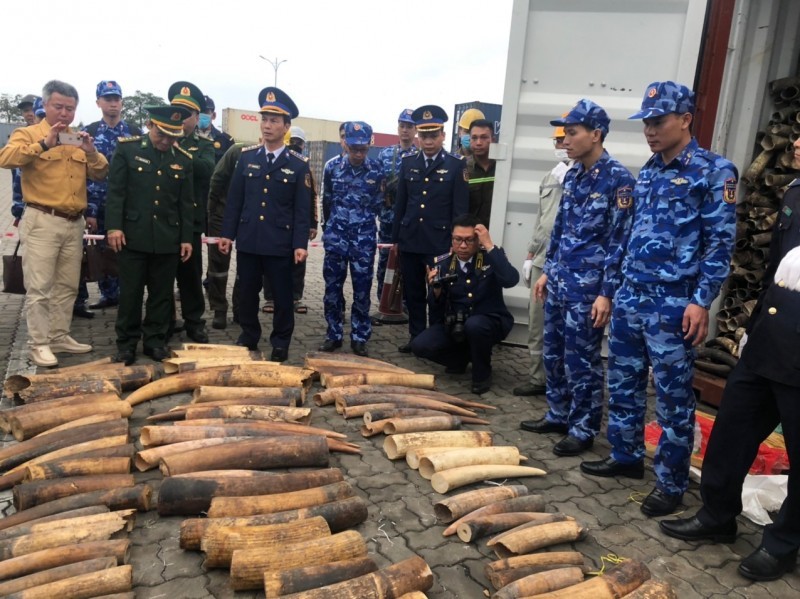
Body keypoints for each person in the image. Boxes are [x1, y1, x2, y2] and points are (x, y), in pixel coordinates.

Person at [580, 81, 739, 517]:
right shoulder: (648, 171)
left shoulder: (714, 171)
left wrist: (701, 300)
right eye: (646, 122)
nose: (650, 130)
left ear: (685, 119)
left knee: (672, 397)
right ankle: (627, 456)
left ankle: (670, 483)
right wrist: (610, 292)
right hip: (632, 297)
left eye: (658, 121)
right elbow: (627, 236)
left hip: (674, 303)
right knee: (625, 383)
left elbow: (719, 245)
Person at [659, 157, 800, 581]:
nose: (795, 141)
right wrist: (754, 327)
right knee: (731, 433)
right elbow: (777, 269)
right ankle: (716, 515)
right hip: (769, 342)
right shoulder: (795, 190)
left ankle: (782, 545)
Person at [520, 100, 635, 457]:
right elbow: (560, 231)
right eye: (565, 133)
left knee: (581, 361)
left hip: (588, 291)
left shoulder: (619, 180)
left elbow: (621, 242)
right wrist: (546, 271)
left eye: (572, 133)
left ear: (596, 134)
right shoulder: (572, 176)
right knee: (553, 353)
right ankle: (558, 413)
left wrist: (607, 294)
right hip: (558, 282)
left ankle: (583, 427)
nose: (565, 139)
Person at [0, 80, 108, 367]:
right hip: (42, 220)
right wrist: (43, 144)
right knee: (40, 287)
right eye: (58, 106)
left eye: (70, 108)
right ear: (45, 105)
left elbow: (100, 173)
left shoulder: (76, 139)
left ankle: (59, 335)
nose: (64, 113)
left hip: (74, 223)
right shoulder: (28, 133)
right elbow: (6, 158)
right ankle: (39, 343)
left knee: (67, 285)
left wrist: (90, 151)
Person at [218, 86, 311, 362]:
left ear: (287, 127)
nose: (268, 125)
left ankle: (280, 341)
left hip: (280, 243)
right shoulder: (248, 158)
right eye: (265, 119)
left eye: (274, 120)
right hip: (249, 239)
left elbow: (302, 210)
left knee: (283, 298)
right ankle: (249, 334)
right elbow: (235, 200)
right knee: (246, 293)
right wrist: (227, 235)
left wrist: (299, 245)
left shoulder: (298, 165)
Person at [105, 105, 194, 364]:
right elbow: (116, 192)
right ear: (149, 125)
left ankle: (155, 340)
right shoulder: (128, 149)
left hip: (167, 238)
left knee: (161, 294)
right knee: (130, 294)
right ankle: (127, 343)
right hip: (132, 235)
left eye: (172, 136)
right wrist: (113, 227)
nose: (166, 141)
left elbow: (185, 203)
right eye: (161, 134)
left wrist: (186, 238)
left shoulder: (184, 159)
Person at [411, 214, 519, 394]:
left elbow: (510, 280)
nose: (462, 246)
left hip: (488, 322)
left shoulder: (490, 259)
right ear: (451, 239)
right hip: (456, 326)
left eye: (469, 240)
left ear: (478, 240)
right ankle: (461, 359)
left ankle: (482, 374)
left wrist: (490, 245)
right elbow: (436, 314)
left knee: (475, 326)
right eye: (458, 240)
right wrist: (436, 291)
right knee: (419, 345)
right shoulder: (443, 265)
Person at [392, 104, 469, 352]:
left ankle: (436, 340)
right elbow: (401, 205)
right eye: (424, 135)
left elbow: (460, 210)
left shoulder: (456, 165)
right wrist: (396, 239)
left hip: (439, 242)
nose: (428, 140)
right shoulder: (408, 163)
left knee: (437, 294)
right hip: (411, 239)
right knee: (413, 293)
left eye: (433, 135)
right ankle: (416, 338)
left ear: (443, 135)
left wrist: (455, 244)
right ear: (418, 136)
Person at [75, 80, 143, 315]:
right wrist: (90, 211)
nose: (113, 104)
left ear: (122, 102)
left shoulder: (134, 133)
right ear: (98, 102)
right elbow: (83, 174)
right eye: (108, 99)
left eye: (117, 99)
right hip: (98, 204)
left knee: (126, 252)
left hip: (127, 206)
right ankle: (102, 296)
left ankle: (127, 296)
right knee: (96, 252)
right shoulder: (89, 133)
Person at [319, 121, 385, 357]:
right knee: (332, 290)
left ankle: (359, 336)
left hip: (363, 241)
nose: (358, 154)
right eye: (354, 148)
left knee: (362, 290)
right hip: (336, 238)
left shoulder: (377, 171)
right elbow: (326, 201)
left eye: (363, 149)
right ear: (345, 143)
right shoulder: (332, 167)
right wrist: (328, 229)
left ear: (369, 146)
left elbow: (380, 204)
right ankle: (333, 334)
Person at [513, 123, 569, 397]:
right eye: (557, 142)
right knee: (536, 323)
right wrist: (530, 254)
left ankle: (564, 383)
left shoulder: (583, 179)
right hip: (542, 259)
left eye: (565, 140)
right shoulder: (550, 178)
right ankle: (537, 377)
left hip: (569, 264)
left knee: (565, 328)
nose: (561, 146)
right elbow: (542, 221)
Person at [168, 81, 215, 343]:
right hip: (162, 221)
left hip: (190, 221)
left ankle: (194, 321)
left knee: (190, 276)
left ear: (197, 118)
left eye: (187, 114)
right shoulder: (157, 140)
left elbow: (206, 170)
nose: (181, 118)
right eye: (177, 111)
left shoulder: (204, 145)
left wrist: (177, 149)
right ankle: (164, 321)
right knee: (161, 277)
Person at [261, 125, 318, 318]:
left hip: (297, 223)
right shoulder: (272, 161)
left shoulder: (304, 165)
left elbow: (312, 197)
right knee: (269, 260)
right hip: (275, 222)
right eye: (291, 142)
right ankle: (270, 298)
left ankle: (295, 297)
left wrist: (313, 223)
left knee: (297, 262)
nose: (294, 146)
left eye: (297, 143)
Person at [375, 109, 417, 301]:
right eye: (402, 126)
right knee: (385, 261)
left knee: (408, 263)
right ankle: (383, 301)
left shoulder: (420, 156)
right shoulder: (385, 154)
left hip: (410, 221)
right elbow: (377, 185)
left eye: (409, 126)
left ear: (415, 130)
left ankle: (406, 304)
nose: (405, 130)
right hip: (387, 219)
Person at [207, 141, 246, 329]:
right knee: (218, 264)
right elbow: (217, 178)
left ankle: (241, 308)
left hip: (249, 218)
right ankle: (219, 309)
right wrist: (211, 212)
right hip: (223, 214)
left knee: (247, 267)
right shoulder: (237, 151)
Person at [9, 95, 40, 226]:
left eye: (32, 110)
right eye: (26, 111)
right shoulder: (19, 136)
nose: (30, 114)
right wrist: (18, 209)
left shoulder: (54, 137)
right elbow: (16, 179)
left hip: (47, 209)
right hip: (25, 208)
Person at [466, 118, 496, 227]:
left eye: (484, 137)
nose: (478, 143)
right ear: (469, 140)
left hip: (497, 231)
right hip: (469, 234)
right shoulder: (462, 168)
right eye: (474, 138)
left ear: (493, 139)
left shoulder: (502, 168)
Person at [198, 95, 235, 164]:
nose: (201, 115)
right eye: (199, 112)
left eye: (206, 112)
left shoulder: (225, 140)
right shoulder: (186, 137)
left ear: (214, 115)